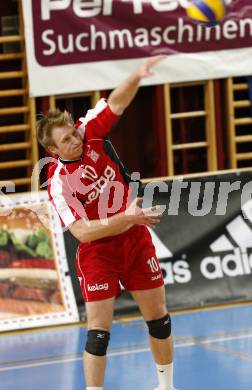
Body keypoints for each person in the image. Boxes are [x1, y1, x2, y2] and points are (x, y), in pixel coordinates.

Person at [37, 55, 174, 390]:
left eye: (73, 132)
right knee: (98, 334)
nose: (75, 139)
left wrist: (138, 75)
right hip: (99, 252)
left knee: (159, 319)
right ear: (53, 150)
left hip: (134, 238)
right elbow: (82, 232)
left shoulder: (90, 133)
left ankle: (167, 386)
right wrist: (124, 217)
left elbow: (116, 102)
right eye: (66, 140)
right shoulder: (58, 181)